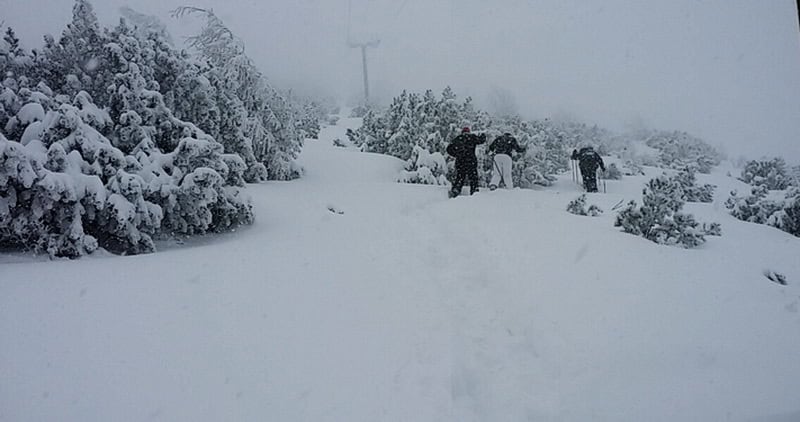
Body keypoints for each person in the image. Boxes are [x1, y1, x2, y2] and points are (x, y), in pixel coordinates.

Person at [446, 127, 486, 197]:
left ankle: (456, 189)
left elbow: (449, 149)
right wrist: (483, 135)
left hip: (460, 161)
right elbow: (481, 140)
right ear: (469, 132)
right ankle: (474, 191)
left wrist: (456, 154)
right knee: (473, 177)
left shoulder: (458, 138)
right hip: (471, 161)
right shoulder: (472, 137)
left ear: (462, 132)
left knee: (460, 176)